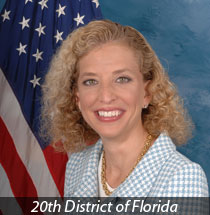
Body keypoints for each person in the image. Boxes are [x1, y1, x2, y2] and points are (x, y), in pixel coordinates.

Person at [41, 19, 208, 197]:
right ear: (77, 98)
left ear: (147, 92)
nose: (106, 96)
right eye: (91, 81)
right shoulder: (77, 165)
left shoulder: (182, 178)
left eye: (122, 79)